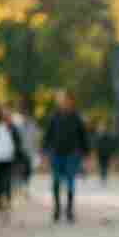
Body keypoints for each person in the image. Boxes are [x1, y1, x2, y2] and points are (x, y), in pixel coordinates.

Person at [42, 92, 91, 223]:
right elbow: (47, 137)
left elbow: (83, 138)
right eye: (62, 101)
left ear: (71, 102)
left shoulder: (77, 118)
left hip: (72, 154)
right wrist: (45, 154)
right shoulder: (54, 117)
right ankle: (57, 208)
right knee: (56, 182)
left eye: (66, 101)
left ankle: (69, 210)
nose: (64, 103)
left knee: (70, 182)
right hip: (56, 154)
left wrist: (86, 156)